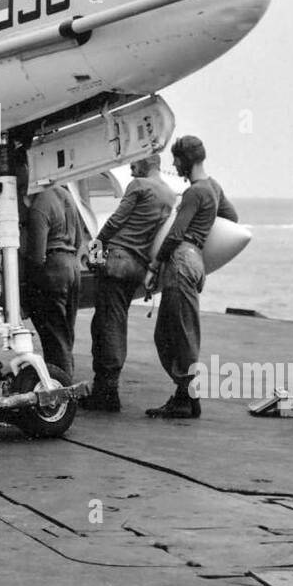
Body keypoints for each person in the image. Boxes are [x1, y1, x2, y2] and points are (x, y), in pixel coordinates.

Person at [146, 136, 237, 419]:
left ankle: (186, 398)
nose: (173, 164)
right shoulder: (214, 188)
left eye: (176, 159)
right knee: (177, 332)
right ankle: (185, 396)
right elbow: (231, 217)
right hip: (195, 262)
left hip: (180, 262)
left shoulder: (194, 193)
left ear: (186, 159)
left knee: (175, 334)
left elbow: (175, 234)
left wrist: (154, 266)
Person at [85, 154, 176, 412]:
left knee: (106, 325)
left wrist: (94, 247)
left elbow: (116, 221)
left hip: (116, 261)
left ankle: (107, 392)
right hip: (135, 266)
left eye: (135, 160)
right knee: (115, 322)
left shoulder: (138, 186)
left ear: (149, 161)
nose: (130, 165)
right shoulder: (169, 195)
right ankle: (106, 388)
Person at [18, 163, 85, 379]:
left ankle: (61, 386)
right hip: (72, 265)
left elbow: (37, 255)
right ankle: (66, 378)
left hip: (53, 269)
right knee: (66, 332)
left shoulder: (40, 204)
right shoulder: (66, 195)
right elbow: (79, 239)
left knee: (54, 335)